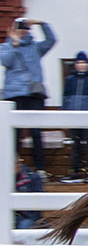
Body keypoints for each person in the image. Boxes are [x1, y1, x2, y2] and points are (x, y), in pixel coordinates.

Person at [1, 17, 56, 178]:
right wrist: (14, 43)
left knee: (36, 132)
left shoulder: (36, 47)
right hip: (14, 94)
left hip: (34, 94)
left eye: (26, 28)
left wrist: (42, 23)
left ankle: (40, 169)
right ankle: (12, 169)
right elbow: (5, 61)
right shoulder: (5, 46)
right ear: (14, 30)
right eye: (20, 28)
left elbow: (52, 40)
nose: (24, 31)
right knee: (14, 134)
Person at [62, 50, 88, 182]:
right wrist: (65, 114)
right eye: (78, 62)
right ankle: (75, 172)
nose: (81, 65)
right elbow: (66, 98)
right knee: (75, 146)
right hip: (73, 118)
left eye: (84, 62)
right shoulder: (70, 79)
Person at [14, 157, 42, 229]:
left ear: (18, 164)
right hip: (6, 216)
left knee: (25, 226)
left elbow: (38, 202)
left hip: (27, 216)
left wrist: (19, 198)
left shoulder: (33, 178)